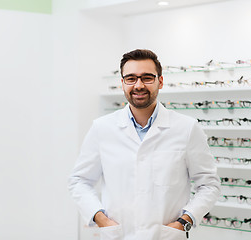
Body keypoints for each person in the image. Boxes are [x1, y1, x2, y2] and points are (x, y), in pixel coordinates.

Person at [68, 49, 220, 240]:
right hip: (118, 235)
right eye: (131, 78)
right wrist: (101, 220)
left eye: (147, 78)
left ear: (160, 81)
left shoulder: (187, 128)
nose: (138, 85)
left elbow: (209, 185)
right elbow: (79, 181)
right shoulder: (102, 128)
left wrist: (184, 222)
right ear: (122, 83)